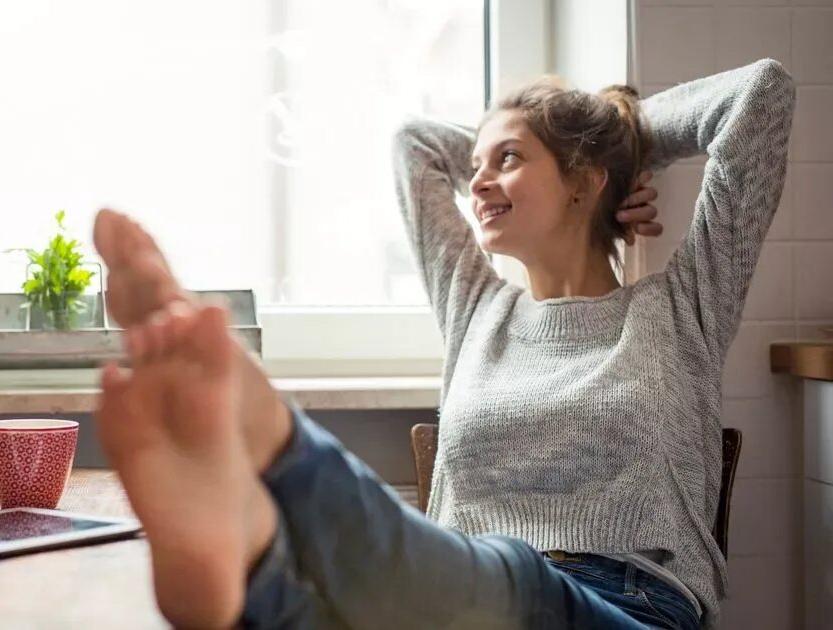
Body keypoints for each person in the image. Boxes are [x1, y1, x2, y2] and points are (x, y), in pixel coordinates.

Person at [90, 58, 796, 629]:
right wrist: (520, 143)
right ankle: (244, 572)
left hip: (628, 606)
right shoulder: (477, 309)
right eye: (479, 162)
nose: (479, 180)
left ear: (584, 181)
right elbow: (414, 147)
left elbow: (760, 97)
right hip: (464, 592)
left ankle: (269, 490)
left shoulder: (680, 309)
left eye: (509, 159)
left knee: (511, 579)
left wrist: (624, 135)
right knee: (457, 590)